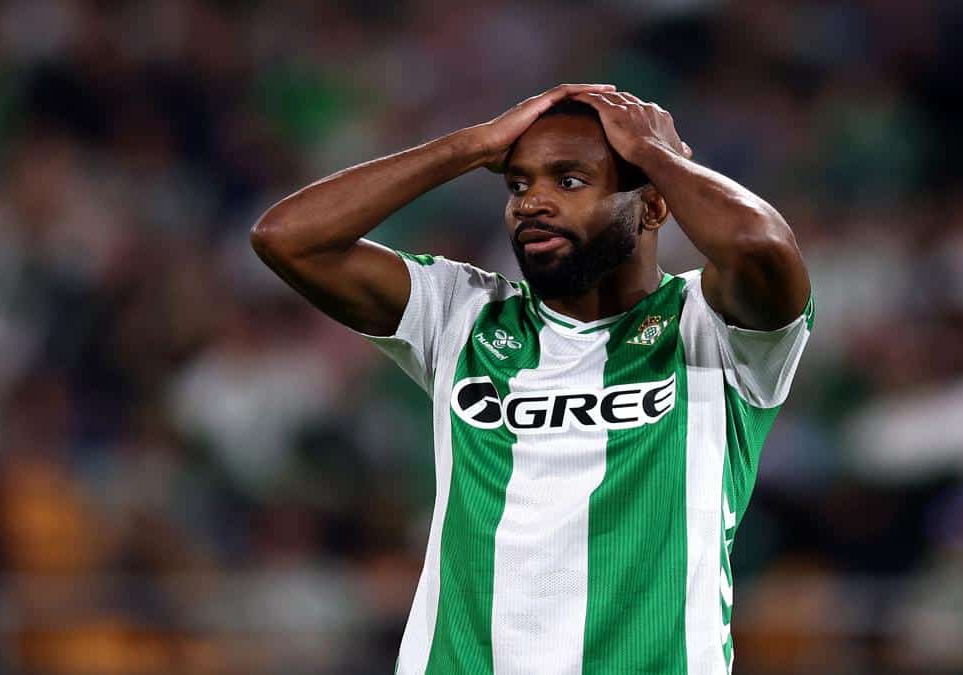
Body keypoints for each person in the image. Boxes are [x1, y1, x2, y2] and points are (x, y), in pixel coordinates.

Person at [250, 83, 813, 675]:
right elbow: (287, 238)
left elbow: (758, 245)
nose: (532, 203)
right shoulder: (463, 314)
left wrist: (655, 155)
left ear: (651, 207)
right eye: (518, 184)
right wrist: (472, 146)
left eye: (568, 181)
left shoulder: (712, 327)